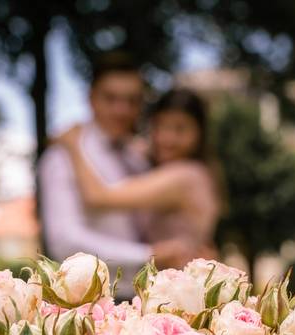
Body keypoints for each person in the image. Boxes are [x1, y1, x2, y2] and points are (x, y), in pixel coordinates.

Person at [38, 52, 194, 299]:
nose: (122, 110)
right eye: (110, 98)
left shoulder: (138, 157)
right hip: (95, 299)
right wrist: (146, 255)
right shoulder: (63, 156)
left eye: (132, 101)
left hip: (151, 295)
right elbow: (64, 240)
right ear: (91, 98)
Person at [55, 88, 222, 262]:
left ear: (199, 133)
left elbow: (97, 196)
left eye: (180, 129)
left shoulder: (186, 177)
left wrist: (73, 146)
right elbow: (133, 145)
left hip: (179, 283)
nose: (166, 138)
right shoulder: (196, 171)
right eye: (160, 126)